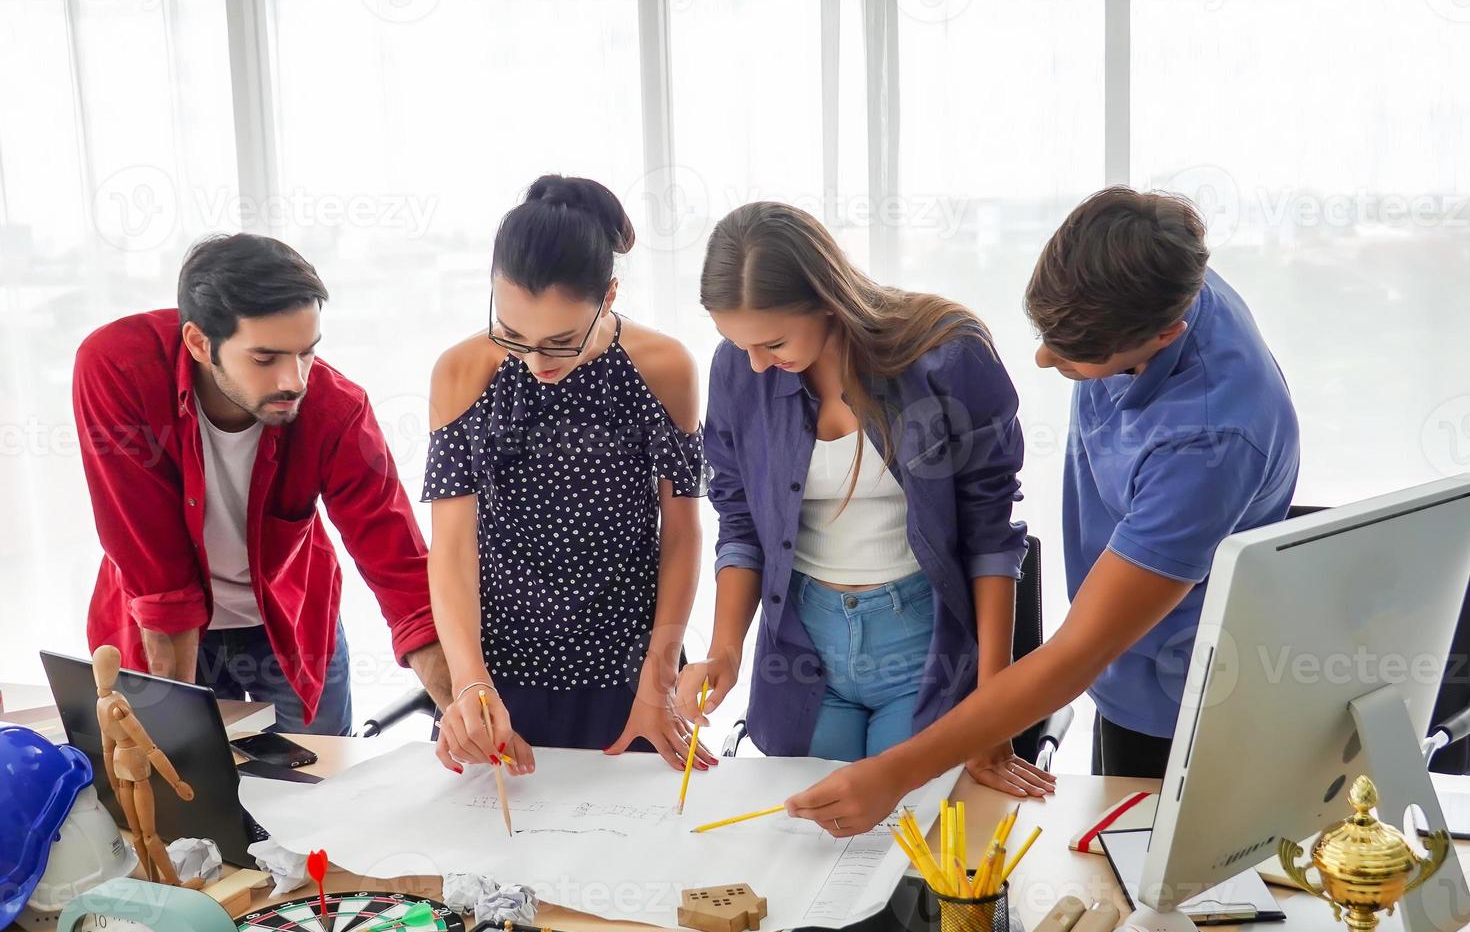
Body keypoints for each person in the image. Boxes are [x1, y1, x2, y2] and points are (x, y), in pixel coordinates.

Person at [784, 187, 1300, 834]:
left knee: (1164, 883)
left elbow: (1077, 651)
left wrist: (894, 773)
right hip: (1118, 672)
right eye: (1046, 335)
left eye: (1074, 355)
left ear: (1167, 332)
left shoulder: (1212, 440)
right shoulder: (1150, 262)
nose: (1043, 359)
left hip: (1188, 694)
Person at [676, 201, 1052, 798]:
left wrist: (992, 711)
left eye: (772, 342)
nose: (754, 363)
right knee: (814, 847)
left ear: (826, 299)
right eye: (737, 343)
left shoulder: (949, 357)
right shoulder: (737, 370)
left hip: (921, 648)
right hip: (801, 650)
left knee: (913, 847)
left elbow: (991, 537)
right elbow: (741, 521)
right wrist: (725, 650)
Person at [73, 233, 452, 735]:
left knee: (321, 781)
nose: (294, 380)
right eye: (265, 358)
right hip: (165, 628)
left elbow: (399, 568)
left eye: (306, 353)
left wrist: (458, 701)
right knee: (192, 782)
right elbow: (154, 565)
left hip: (291, 625)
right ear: (199, 343)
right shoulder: (119, 369)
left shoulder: (336, 410)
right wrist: (175, 729)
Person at [425, 175, 713, 776]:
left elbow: (682, 535)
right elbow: (453, 548)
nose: (534, 362)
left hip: (631, 672)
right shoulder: (461, 372)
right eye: (512, 334)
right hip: (500, 674)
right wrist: (468, 681)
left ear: (608, 296)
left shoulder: (662, 368)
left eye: (559, 342)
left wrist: (657, 681)